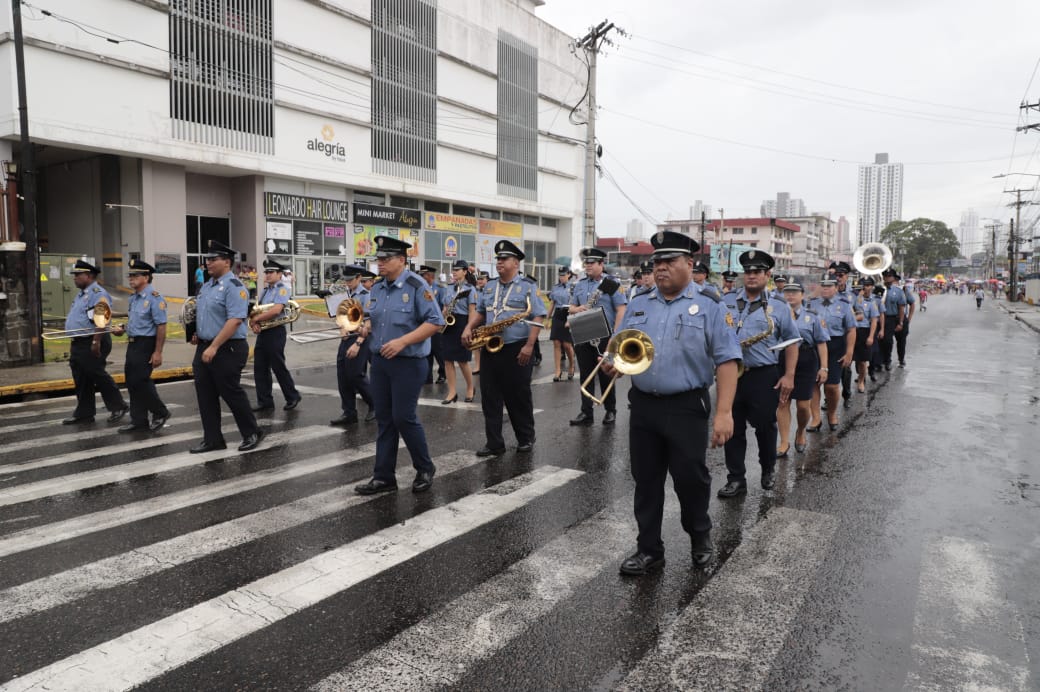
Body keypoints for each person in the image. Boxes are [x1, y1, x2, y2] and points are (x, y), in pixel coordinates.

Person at [605, 231, 740, 575]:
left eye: (669, 262)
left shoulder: (711, 304)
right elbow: (623, 348)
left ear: (689, 264)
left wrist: (724, 413)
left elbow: (726, 361)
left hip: (687, 406)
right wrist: (615, 364)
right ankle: (649, 549)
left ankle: (699, 537)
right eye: (657, 263)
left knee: (690, 478)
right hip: (644, 406)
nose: (660, 268)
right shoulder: (639, 302)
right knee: (646, 480)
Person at [355, 236, 444, 495]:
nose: (379, 263)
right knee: (384, 419)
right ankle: (383, 477)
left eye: (385, 259)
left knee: (403, 417)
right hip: (381, 361)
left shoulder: (417, 286)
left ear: (402, 260)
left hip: (408, 362)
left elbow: (435, 322)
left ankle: (425, 467)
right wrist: (364, 328)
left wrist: (402, 342)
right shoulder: (377, 288)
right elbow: (375, 319)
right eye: (378, 259)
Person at [718, 250, 799, 498]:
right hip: (732, 374)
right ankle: (736, 478)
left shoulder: (779, 306)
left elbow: (793, 341)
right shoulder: (726, 301)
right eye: (748, 272)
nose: (751, 276)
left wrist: (789, 375)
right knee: (733, 428)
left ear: (767, 275)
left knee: (765, 426)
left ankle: (767, 469)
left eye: (757, 272)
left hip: (763, 375)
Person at [463, 240, 547, 455]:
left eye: (504, 259)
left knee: (518, 396)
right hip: (491, 347)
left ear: (516, 263)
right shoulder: (490, 285)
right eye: (498, 259)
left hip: (516, 347)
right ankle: (494, 443)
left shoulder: (528, 286)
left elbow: (538, 315)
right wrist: (469, 327)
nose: (499, 262)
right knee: (490, 397)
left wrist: (529, 345)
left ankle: (526, 437)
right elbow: (481, 311)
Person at [190, 240, 264, 453]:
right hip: (205, 346)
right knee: (205, 395)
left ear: (227, 262)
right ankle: (213, 439)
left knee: (230, 392)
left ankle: (252, 432)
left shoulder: (234, 287)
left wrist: (213, 346)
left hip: (227, 348)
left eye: (213, 259)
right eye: (207, 259)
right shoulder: (206, 287)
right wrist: (198, 333)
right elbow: (206, 316)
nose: (208, 263)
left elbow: (235, 321)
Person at [61, 259, 129, 425]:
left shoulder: (98, 293)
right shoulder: (82, 294)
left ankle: (118, 406)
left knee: (96, 373)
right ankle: (84, 412)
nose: (74, 278)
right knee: (81, 376)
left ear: (89, 276)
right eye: (74, 275)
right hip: (79, 341)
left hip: (93, 339)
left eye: (78, 275)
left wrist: (96, 341)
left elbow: (101, 319)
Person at [568, 247, 628, 426]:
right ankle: (586, 412)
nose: (588, 266)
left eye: (592, 263)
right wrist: (576, 309)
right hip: (583, 332)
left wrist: (615, 336)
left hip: (605, 335)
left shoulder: (612, 283)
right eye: (586, 263)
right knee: (585, 373)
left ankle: (610, 410)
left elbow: (621, 310)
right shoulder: (579, 284)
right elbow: (571, 307)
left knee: (606, 374)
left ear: (601, 264)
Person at [111, 259, 171, 433]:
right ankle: (139, 420)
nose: (131, 278)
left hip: (147, 344)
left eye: (135, 275)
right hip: (133, 343)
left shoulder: (154, 298)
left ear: (146, 277)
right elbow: (136, 321)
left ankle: (160, 412)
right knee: (132, 382)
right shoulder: (134, 298)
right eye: (130, 275)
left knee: (141, 381)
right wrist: (122, 329)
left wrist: (158, 352)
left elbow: (161, 326)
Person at [775, 282, 828, 457]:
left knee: (803, 406)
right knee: (783, 402)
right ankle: (783, 441)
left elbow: (821, 343)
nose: (790, 295)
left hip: (806, 359)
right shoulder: (775, 314)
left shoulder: (811, 316)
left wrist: (824, 368)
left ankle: (800, 431)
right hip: (783, 359)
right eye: (787, 292)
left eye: (794, 292)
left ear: (802, 295)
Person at [249, 258, 302, 412]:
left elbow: (275, 310)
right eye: (266, 272)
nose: (267, 275)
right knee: (260, 367)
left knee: (278, 366)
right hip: (264, 331)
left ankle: (292, 396)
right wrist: (256, 324)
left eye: (271, 272)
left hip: (276, 331)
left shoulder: (283, 289)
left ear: (279, 274)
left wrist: (255, 319)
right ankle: (265, 401)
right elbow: (259, 310)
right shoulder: (265, 290)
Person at [807, 275, 857, 431]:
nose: (825, 288)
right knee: (814, 384)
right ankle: (815, 418)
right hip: (814, 346)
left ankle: (832, 413)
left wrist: (849, 352)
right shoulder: (811, 303)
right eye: (823, 285)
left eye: (829, 286)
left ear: (836, 288)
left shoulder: (844, 305)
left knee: (832, 386)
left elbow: (851, 329)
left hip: (835, 346)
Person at [328, 265, 375, 426]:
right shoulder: (345, 295)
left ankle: (374, 404)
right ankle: (349, 412)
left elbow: (368, 324)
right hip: (347, 338)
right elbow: (341, 315)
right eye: (345, 280)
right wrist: (342, 329)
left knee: (355, 375)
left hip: (360, 338)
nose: (347, 283)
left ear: (358, 278)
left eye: (350, 280)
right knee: (343, 375)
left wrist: (358, 343)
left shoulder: (366, 296)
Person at [440, 260, 478, 404]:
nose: (454, 272)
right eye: (453, 269)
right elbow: (445, 307)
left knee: (462, 360)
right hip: (449, 324)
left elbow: (472, 312)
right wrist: (443, 315)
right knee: (448, 360)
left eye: (457, 269)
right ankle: (452, 392)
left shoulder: (470, 289)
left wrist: (469, 329)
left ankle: (470, 388)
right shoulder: (449, 288)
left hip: (463, 324)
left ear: (465, 271)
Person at [418, 264, 447, 385]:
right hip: (423, 324)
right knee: (427, 352)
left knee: (439, 351)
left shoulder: (440, 289)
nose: (421, 278)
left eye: (423, 275)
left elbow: (444, 307)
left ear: (430, 276)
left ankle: (442, 373)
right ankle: (427, 376)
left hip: (435, 325)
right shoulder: (420, 288)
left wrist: (438, 321)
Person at [547, 266, 577, 382]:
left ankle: (571, 365)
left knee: (567, 345)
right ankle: (558, 370)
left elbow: (576, 303)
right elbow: (552, 304)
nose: (561, 278)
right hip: (558, 315)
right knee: (556, 343)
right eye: (560, 275)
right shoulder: (555, 287)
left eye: (563, 275)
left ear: (569, 275)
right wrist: (548, 319)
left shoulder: (574, 287)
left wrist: (571, 318)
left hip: (569, 314)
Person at [852, 279, 880, 393]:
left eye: (868, 285)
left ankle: (861, 381)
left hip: (864, 331)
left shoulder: (871, 302)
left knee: (863, 360)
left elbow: (874, 320)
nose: (865, 288)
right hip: (852, 330)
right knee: (851, 360)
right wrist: (858, 297)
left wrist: (871, 336)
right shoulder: (854, 299)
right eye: (863, 286)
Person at [878, 268, 906, 371]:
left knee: (891, 341)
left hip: (892, 318)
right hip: (881, 318)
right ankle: (883, 360)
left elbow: (901, 307)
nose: (888, 278)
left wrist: (901, 322)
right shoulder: (879, 289)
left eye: (890, 276)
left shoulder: (898, 291)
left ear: (893, 278)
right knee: (884, 341)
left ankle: (892, 360)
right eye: (886, 276)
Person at [897, 278, 916, 368]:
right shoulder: (884, 289)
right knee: (885, 342)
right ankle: (884, 361)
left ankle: (901, 359)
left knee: (901, 341)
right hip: (888, 317)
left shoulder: (903, 289)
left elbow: (912, 303)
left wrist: (909, 318)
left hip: (902, 317)